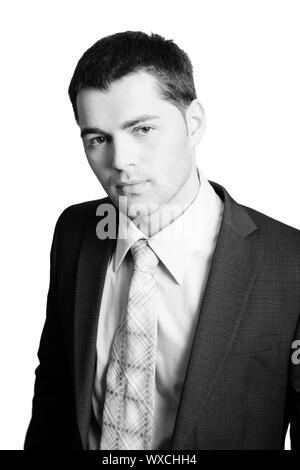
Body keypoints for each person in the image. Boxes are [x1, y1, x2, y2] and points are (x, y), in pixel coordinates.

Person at [24, 31, 300, 450]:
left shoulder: (290, 261)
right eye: (98, 138)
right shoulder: (74, 231)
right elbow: (54, 395)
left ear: (193, 123)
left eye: (143, 128)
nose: (120, 161)